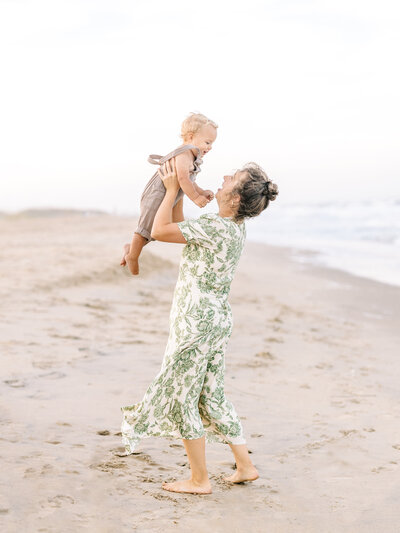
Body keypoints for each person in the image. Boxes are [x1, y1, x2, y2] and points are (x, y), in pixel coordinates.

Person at [120, 158, 278, 495]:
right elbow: (177, 225)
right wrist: (175, 192)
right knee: (212, 395)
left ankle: (199, 480)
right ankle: (245, 466)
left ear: (236, 198)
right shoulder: (228, 225)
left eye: (232, 178)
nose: (223, 176)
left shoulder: (217, 227)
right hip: (216, 319)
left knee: (184, 397)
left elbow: (161, 230)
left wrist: (175, 187)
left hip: (196, 322)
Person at [121, 113, 217, 275]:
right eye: (207, 142)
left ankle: (131, 248)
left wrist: (201, 191)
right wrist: (196, 198)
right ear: (191, 137)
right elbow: (182, 179)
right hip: (157, 193)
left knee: (155, 230)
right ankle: (133, 256)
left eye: (212, 143)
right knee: (145, 227)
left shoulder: (191, 156)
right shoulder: (184, 154)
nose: (210, 147)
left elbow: (190, 181)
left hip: (169, 193)